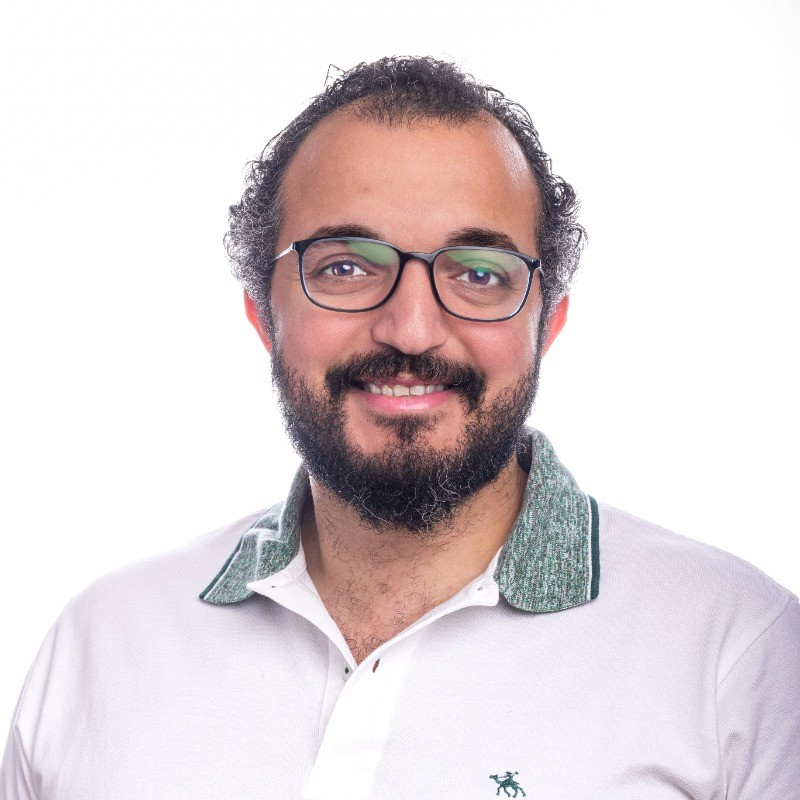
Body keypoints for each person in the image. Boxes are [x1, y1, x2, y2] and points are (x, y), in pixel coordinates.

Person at [2, 56, 798, 800]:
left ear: (547, 323)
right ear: (262, 312)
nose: (412, 330)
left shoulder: (738, 655)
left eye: (479, 273)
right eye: (346, 266)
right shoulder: (101, 647)